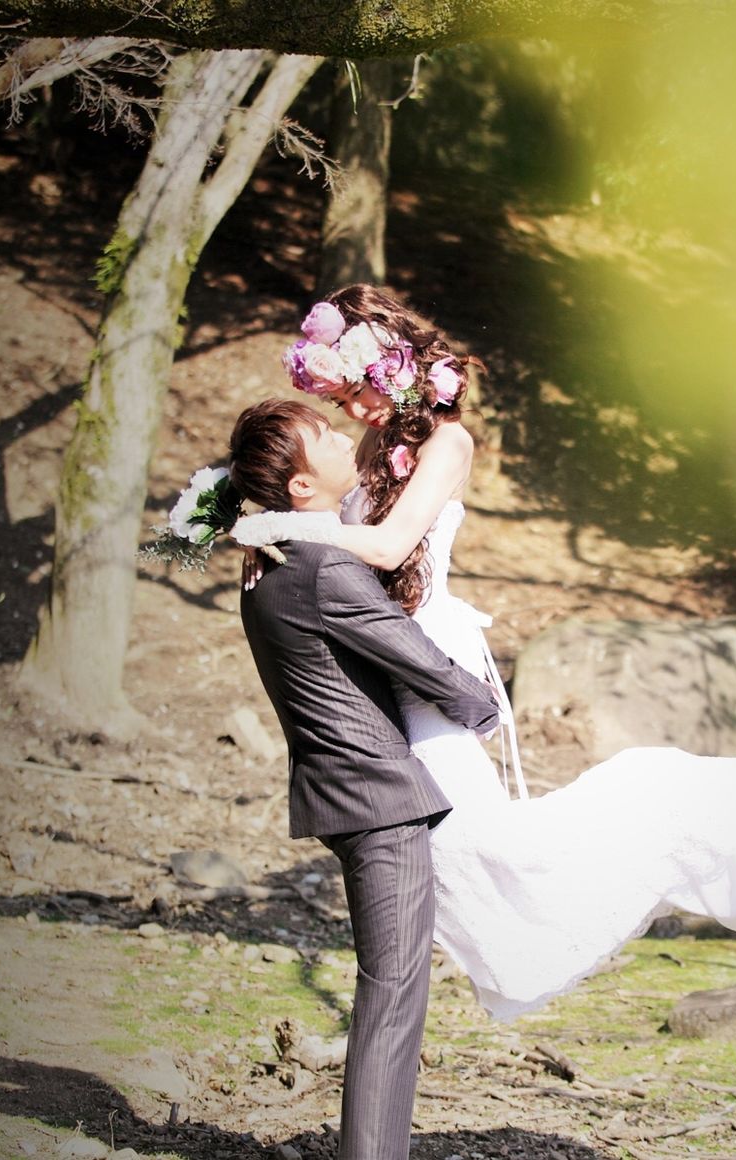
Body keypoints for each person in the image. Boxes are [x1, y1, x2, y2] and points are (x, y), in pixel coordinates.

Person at [233, 285, 736, 1021]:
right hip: (377, 656)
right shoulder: (367, 448)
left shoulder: (448, 444)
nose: (353, 412)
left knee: (487, 842)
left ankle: (681, 811)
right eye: (339, 402)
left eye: (356, 393)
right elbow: (334, 539)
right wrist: (269, 528)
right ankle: (445, 973)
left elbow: (390, 547)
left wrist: (283, 528)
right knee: (456, 846)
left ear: (392, 368)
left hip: (426, 656)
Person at [227, 398, 500, 1160]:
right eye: (325, 437)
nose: (345, 437)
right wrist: (484, 703)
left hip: (341, 792)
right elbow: (419, 662)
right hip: (378, 801)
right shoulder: (323, 568)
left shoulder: (268, 567)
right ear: (301, 488)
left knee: (389, 989)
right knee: (391, 996)